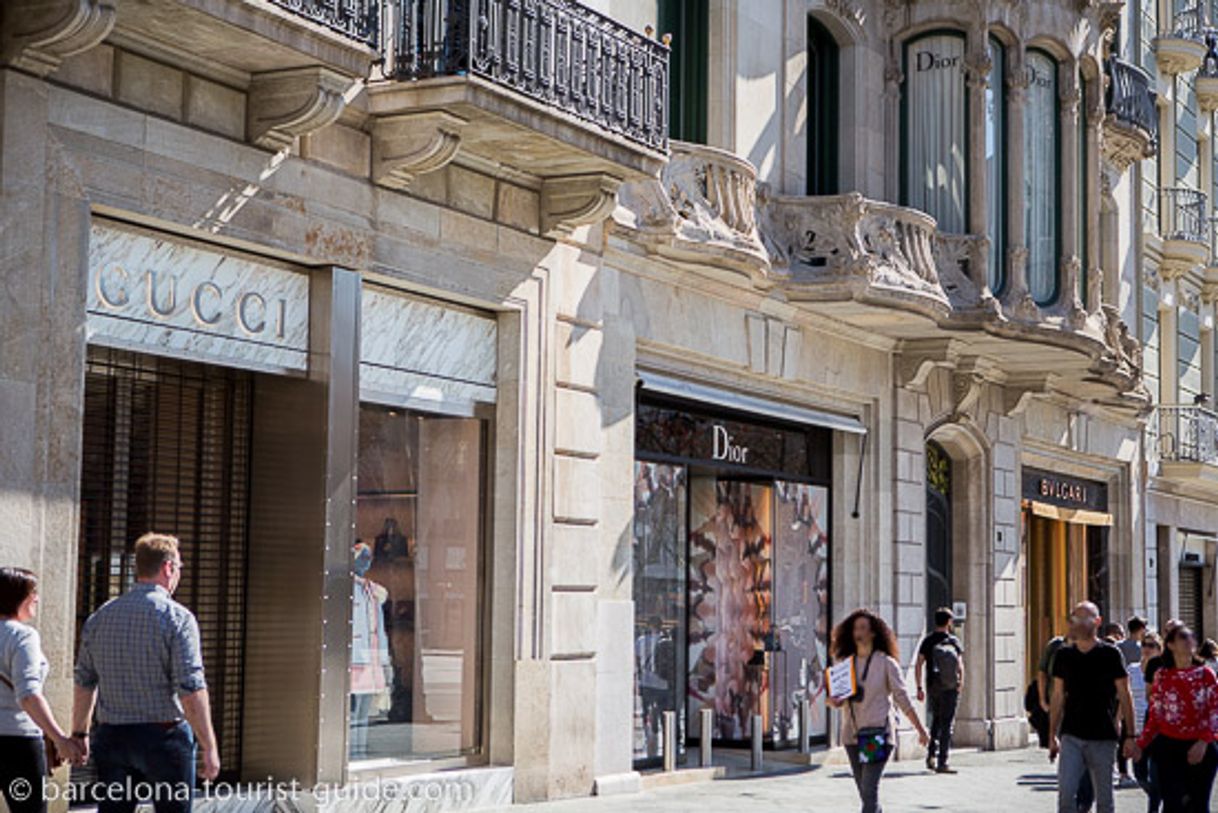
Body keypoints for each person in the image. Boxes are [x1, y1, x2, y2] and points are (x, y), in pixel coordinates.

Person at [72, 533, 221, 813]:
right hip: (163, 736)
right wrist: (208, 745)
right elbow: (190, 687)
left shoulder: (101, 617)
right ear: (168, 568)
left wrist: (79, 733)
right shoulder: (178, 618)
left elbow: (85, 681)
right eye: (179, 568)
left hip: (112, 734)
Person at [828, 608, 929, 813]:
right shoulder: (845, 665)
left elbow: (902, 698)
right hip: (852, 736)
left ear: (873, 633)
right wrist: (833, 701)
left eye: (864, 627)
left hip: (878, 734)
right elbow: (836, 701)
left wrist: (920, 730)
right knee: (865, 793)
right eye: (856, 628)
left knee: (869, 789)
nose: (859, 632)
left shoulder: (886, 663)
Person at [0, 568, 84, 813]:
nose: (36, 598)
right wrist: (60, 739)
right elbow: (28, 694)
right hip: (18, 741)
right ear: (17, 597)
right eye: (32, 593)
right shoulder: (22, 636)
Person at [1049, 602, 1137, 813]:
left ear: (1097, 622)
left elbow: (1125, 694)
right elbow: (1058, 695)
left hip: (1103, 736)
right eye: (1075, 618)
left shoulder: (1110, 654)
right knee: (1066, 796)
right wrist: (1051, 734)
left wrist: (1131, 735)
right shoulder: (1064, 655)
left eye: (1083, 618)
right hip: (1071, 735)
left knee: (1105, 801)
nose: (1077, 623)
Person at [1132, 625, 1218, 813]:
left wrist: (1204, 741)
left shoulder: (1206, 674)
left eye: (1192, 637)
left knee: (1198, 805)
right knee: (1172, 804)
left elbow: (1214, 712)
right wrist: (1140, 743)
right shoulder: (1162, 676)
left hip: (1201, 746)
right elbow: (1155, 715)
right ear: (1170, 644)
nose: (1189, 641)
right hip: (1169, 746)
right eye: (1183, 637)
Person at [914, 607, 964, 773]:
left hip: (933, 685)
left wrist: (919, 687)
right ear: (949, 622)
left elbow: (919, 663)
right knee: (947, 723)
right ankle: (943, 761)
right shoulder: (953, 641)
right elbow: (960, 665)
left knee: (936, 720)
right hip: (950, 686)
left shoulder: (928, 641)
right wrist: (960, 683)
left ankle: (931, 755)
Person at [1129, 632, 1163, 813]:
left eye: (1152, 646)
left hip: (1157, 729)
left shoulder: (1164, 671)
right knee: (1139, 774)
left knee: (1156, 775)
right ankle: (1160, 794)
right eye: (1144, 645)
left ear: (1160, 649)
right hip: (1136, 728)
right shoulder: (1132, 669)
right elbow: (1125, 698)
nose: (1147, 649)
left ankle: (1155, 805)